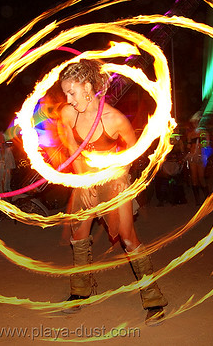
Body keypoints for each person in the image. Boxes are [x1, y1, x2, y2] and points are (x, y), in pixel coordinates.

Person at [57, 60, 167, 326]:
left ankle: (154, 299)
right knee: (78, 236)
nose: (68, 100)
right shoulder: (67, 114)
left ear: (87, 87)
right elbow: (73, 151)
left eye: (72, 93)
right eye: (65, 94)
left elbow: (132, 151)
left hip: (114, 178)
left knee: (128, 238)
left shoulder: (114, 119)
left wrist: (116, 178)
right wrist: (86, 181)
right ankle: (80, 292)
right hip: (85, 177)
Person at [185, 112, 210, 205]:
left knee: (201, 177)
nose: (195, 123)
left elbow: (206, 145)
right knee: (194, 178)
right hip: (192, 156)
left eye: (197, 122)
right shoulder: (190, 134)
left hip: (201, 156)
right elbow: (188, 146)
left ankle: (207, 198)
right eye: (194, 122)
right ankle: (197, 200)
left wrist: (201, 139)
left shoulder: (204, 133)